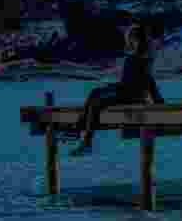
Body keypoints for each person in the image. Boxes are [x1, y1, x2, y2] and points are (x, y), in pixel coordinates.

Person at [70, 24, 164, 156]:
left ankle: (86, 141)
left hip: (130, 97)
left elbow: (146, 81)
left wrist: (158, 101)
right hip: (127, 92)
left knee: (97, 103)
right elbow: (137, 81)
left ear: (136, 39)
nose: (128, 41)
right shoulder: (139, 56)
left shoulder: (140, 58)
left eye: (130, 38)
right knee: (95, 92)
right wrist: (112, 86)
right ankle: (77, 130)